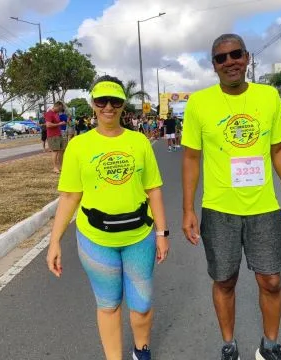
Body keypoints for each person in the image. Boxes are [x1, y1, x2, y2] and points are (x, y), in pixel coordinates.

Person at [181, 33, 281, 360]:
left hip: (263, 208)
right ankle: (229, 345)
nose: (230, 62)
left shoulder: (268, 97)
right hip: (219, 209)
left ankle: (270, 346)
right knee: (224, 280)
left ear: (247, 58)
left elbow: (278, 149)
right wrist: (188, 209)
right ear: (214, 65)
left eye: (236, 54)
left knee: (271, 280)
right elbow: (191, 157)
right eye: (221, 58)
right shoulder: (198, 103)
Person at [46, 75, 169, 360]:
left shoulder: (139, 143)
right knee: (109, 304)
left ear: (123, 105)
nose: (108, 107)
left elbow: (154, 190)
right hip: (95, 239)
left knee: (142, 304)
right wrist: (54, 242)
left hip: (139, 236)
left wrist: (162, 233)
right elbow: (69, 197)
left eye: (115, 101)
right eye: (102, 101)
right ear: (93, 104)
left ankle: (142, 351)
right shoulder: (79, 146)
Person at [45, 101, 67, 174]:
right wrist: (59, 124)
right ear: (56, 106)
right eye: (59, 109)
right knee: (55, 151)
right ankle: (55, 167)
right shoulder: (49, 114)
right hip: (52, 135)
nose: (60, 111)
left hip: (59, 134)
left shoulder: (56, 113)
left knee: (61, 150)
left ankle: (61, 166)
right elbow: (48, 125)